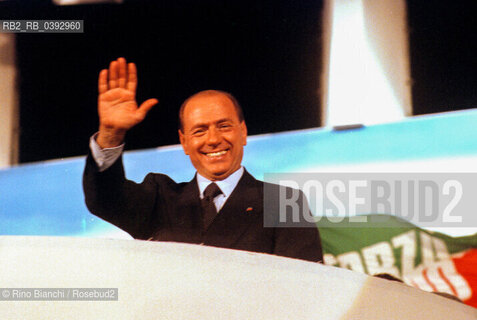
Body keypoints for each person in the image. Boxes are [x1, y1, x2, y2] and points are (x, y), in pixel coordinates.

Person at [83, 57, 322, 262]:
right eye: (199, 131)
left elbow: (302, 287)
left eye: (224, 126)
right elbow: (104, 199)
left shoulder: (284, 203)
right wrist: (111, 134)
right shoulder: (159, 199)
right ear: (184, 142)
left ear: (243, 132)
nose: (213, 139)